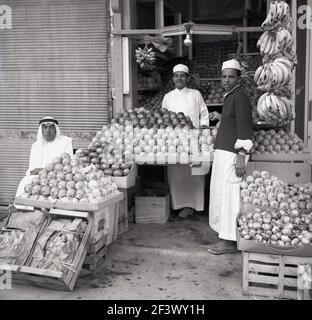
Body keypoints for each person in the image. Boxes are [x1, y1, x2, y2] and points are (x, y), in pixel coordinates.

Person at [208, 59, 253, 254]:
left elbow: (244, 126)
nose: (226, 80)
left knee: (230, 197)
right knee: (221, 194)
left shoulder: (240, 96)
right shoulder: (230, 96)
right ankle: (225, 236)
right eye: (224, 76)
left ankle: (230, 241)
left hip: (233, 154)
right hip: (224, 153)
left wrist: (242, 154)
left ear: (239, 78)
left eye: (231, 77)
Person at [162, 64, 210, 218]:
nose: (179, 78)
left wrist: (203, 127)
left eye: (182, 75)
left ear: (187, 78)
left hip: (194, 139)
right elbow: (164, 118)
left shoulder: (196, 94)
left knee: (196, 173)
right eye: (176, 76)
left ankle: (197, 205)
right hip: (174, 141)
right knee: (177, 174)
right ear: (173, 78)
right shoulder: (168, 97)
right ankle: (178, 205)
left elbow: (204, 113)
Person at [15, 116, 73, 200]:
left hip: (58, 178)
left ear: (56, 129)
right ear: (41, 130)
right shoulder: (36, 146)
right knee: (25, 181)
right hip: (38, 178)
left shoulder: (65, 142)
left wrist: (44, 170)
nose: (47, 131)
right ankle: (19, 206)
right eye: (45, 128)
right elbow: (31, 168)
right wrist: (36, 172)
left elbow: (68, 165)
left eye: (51, 128)